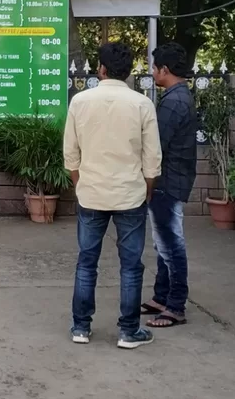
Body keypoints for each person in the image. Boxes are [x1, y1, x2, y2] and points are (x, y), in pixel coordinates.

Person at [63, 41, 162, 349]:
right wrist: (145, 192)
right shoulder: (142, 104)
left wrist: (81, 185)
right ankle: (129, 331)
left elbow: (71, 154)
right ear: (129, 71)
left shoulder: (80, 101)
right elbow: (153, 159)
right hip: (130, 196)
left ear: (101, 69)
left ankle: (81, 328)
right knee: (131, 266)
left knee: (86, 262)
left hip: (90, 194)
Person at [143, 43, 197, 330]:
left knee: (170, 244)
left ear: (165, 70)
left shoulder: (174, 102)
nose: (152, 72)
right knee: (162, 240)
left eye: (154, 68)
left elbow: (156, 145)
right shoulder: (178, 96)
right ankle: (161, 296)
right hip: (173, 178)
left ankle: (175, 305)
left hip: (168, 180)